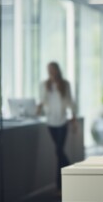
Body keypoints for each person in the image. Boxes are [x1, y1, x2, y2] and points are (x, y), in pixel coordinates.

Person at [37, 62, 77, 193]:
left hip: (62, 122)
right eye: (49, 70)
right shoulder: (44, 85)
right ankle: (68, 177)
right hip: (51, 123)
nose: (51, 72)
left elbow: (70, 101)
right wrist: (38, 107)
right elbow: (42, 101)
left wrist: (74, 118)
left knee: (59, 151)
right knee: (59, 152)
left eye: (52, 69)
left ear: (57, 70)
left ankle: (60, 183)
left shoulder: (65, 84)